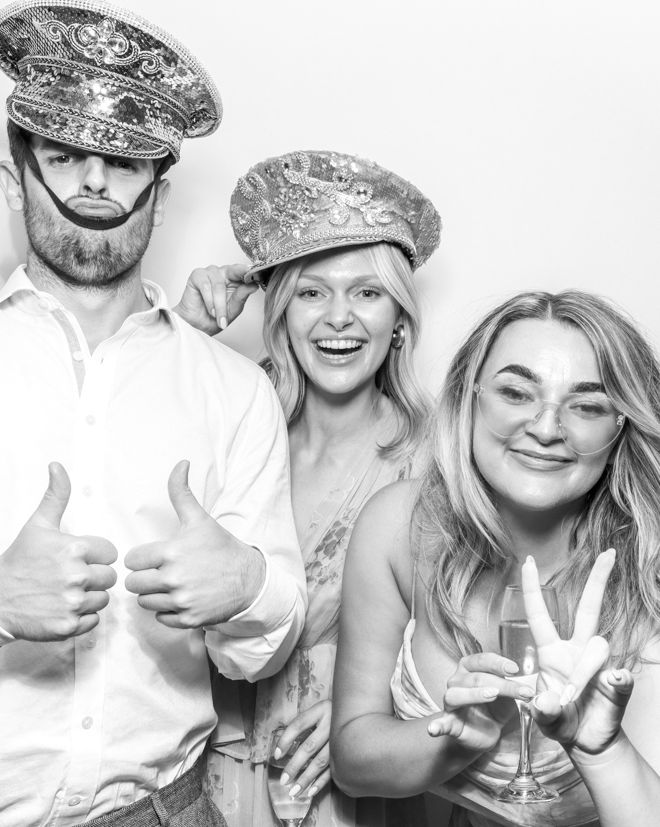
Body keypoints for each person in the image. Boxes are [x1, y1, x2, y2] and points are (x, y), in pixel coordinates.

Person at [0, 3, 306, 826]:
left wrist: (247, 585)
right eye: (64, 156)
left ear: (158, 197)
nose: (95, 183)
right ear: (12, 180)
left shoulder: (235, 391)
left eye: (124, 163)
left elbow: (257, 655)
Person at [331, 291, 660, 827]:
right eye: (517, 393)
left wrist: (602, 753)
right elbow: (353, 763)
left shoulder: (644, 573)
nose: (545, 429)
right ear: (469, 398)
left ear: (621, 429)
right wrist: (459, 738)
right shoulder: (397, 527)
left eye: (587, 406)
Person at [173, 150, 441, 827]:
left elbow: (478, 624)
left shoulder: (435, 455)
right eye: (312, 291)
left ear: (400, 320)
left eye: (367, 292)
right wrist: (180, 341)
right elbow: (128, 510)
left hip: (361, 779)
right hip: (219, 765)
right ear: (282, 311)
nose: (339, 318)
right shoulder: (232, 419)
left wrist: (380, 702)